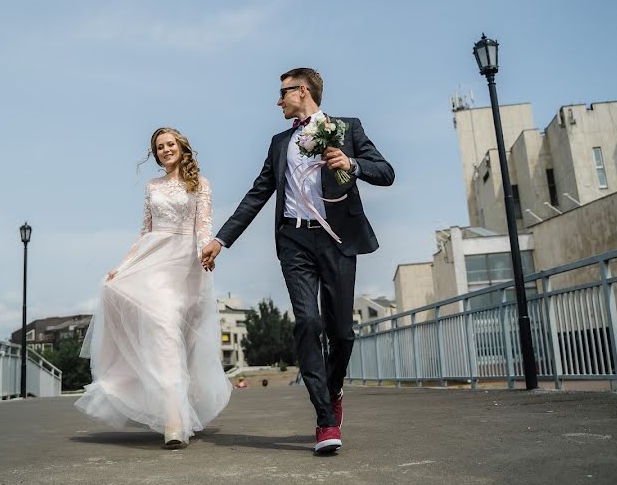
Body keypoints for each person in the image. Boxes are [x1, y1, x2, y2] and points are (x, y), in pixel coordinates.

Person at [201, 68, 394, 454]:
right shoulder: (278, 143)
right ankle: (325, 419)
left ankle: (333, 387)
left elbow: (386, 173)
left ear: (301, 91)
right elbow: (258, 194)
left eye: (282, 93)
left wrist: (352, 164)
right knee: (308, 320)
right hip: (293, 239)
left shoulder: (347, 128)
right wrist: (222, 239)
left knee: (341, 332)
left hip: (337, 239)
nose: (278, 101)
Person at [75, 127, 231, 450]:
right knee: (161, 328)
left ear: (181, 146)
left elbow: (203, 227)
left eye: (169, 144)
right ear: (155, 153)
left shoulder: (200, 185)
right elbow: (144, 232)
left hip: (186, 265)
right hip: (153, 261)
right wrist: (121, 267)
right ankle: (173, 422)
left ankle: (186, 408)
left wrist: (207, 251)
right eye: (159, 147)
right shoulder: (151, 187)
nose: (165, 150)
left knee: (182, 342)